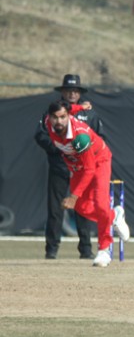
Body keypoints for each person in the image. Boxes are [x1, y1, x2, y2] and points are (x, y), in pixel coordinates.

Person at [44, 100, 129, 267]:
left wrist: (73, 196)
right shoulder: (49, 123)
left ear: (68, 117)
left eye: (62, 117)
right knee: (81, 207)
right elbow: (70, 108)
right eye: (55, 117)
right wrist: (81, 107)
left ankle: (104, 250)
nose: (59, 121)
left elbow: (90, 170)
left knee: (100, 204)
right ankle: (114, 216)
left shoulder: (80, 137)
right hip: (78, 166)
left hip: (98, 162)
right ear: (50, 117)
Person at [34, 74, 106, 259]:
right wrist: (59, 148)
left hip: (81, 170)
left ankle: (86, 249)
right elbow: (40, 135)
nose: (72, 94)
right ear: (62, 92)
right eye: (68, 90)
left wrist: (84, 153)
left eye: (75, 91)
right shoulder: (53, 113)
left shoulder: (89, 113)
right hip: (59, 167)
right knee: (55, 209)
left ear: (80, 93)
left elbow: (100, 138)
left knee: (82, 207)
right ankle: (51, 250)